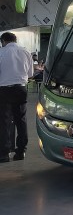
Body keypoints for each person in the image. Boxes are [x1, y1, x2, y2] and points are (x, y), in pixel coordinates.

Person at [0, 32, 34, 162]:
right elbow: (30, 73)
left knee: (4, 121)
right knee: (21, 120)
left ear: (3, 41)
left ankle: (3, 154)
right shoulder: (25, 52)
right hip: (20, 89)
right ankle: (20, 152)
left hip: (4, 90)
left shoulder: (1, 52)